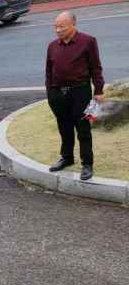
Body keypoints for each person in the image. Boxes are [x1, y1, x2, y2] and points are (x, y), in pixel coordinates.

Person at [45, 11, 105, 181]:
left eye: (61, 26)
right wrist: (50, 92)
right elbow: (49, 71)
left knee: (83, 129)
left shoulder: (88, 41)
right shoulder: (52, 46)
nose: (57, 30)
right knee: (64, 128)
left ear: (73, 24)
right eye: (55, 26)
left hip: (80, 92)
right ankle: (67, 157)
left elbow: (96, 68)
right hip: (58, 93)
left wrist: (99, 90)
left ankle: (87, 163)